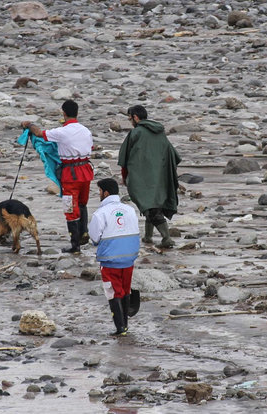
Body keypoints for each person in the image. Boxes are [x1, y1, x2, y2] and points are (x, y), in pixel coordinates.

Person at [21, 100, 93, 254]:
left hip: (70, 173)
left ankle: (75, 245)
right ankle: (84, 233)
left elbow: (40, 133)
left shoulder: (62, 132)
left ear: (64, 113)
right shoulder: (86, 131)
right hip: (86, 170)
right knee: (82, 203)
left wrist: (29, 124)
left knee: (69, 207)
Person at [118, 105, 181, 248]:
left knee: (150, 207)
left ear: (135, 117)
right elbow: (173, 155)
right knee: (152, 205)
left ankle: (167, 238)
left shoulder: (136, 133)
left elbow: (124, 159)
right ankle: (148, 237)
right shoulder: (160, 132)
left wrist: (125, 177)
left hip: (142, 178)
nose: (130, 121)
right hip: (161, 177)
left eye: (130, 118)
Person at [88, 178, 140, 336]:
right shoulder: (130, 209)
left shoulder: (100, 214)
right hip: (129, 258)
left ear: (106, 192)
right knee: (125, 290)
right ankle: (125, 325)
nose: (99, 194)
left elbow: (95, 238)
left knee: (113, 292)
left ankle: (120, 328)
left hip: (111, 260)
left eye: (99, 191)